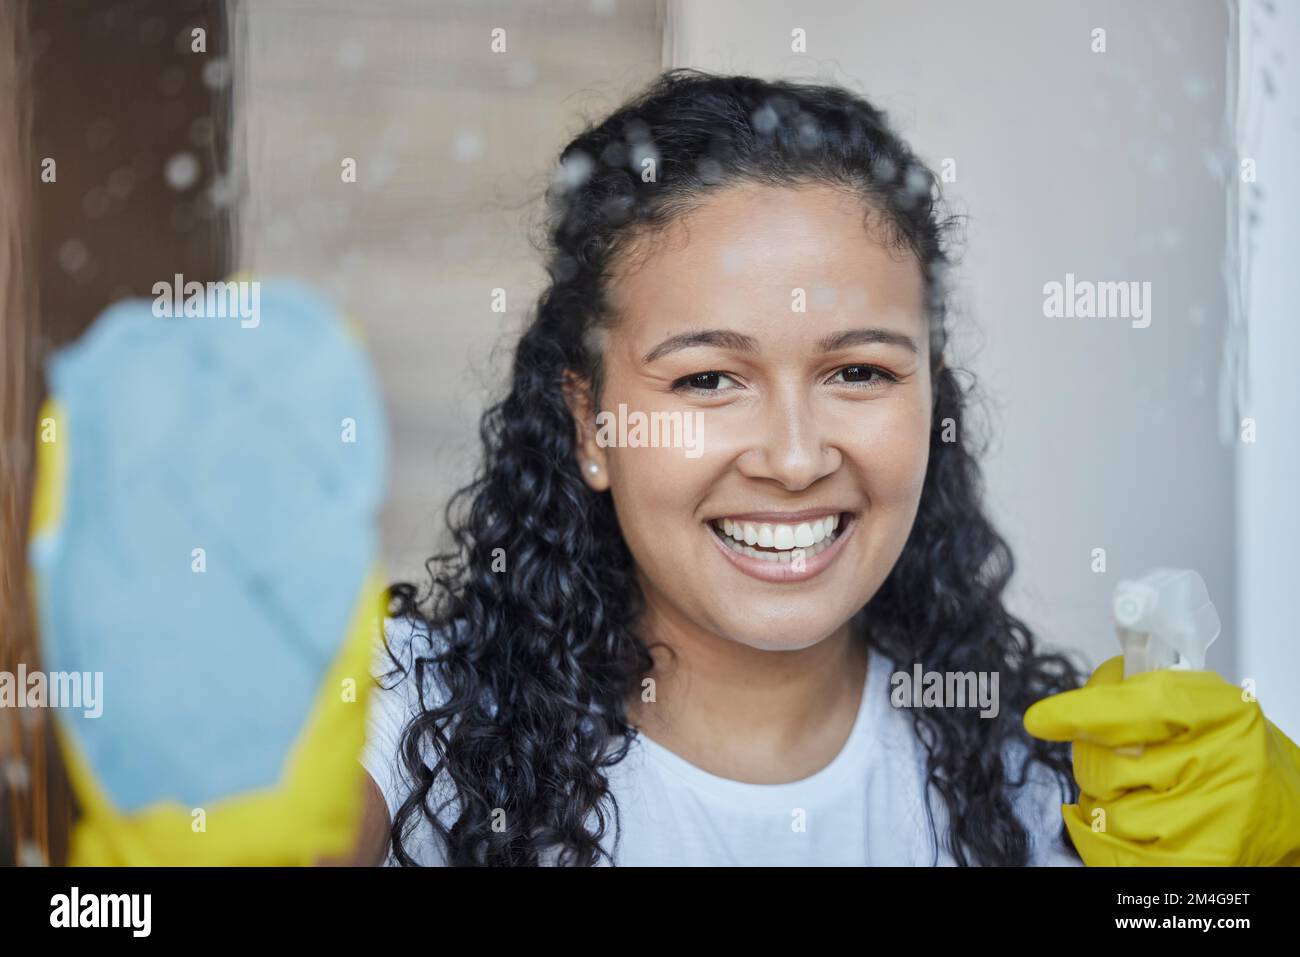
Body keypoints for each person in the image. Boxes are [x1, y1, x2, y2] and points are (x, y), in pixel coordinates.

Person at [353, 69, 1087, 866]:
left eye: (860, 371)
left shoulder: (1044, 786)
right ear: (590, 423)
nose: (797, 459)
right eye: (708, 379)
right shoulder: (405, 730)